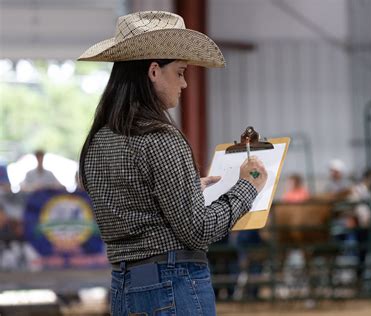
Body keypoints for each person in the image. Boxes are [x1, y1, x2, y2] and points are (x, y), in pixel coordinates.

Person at [78, 11, 267, 316]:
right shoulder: (161, 137)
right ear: (154, 71)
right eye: (179, 72)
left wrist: (188, 187)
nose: (185, 84)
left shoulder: (98, 139)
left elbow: (136, 200)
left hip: (124, 287)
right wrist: (248, 187)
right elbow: (199, 230)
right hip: (172, 283)